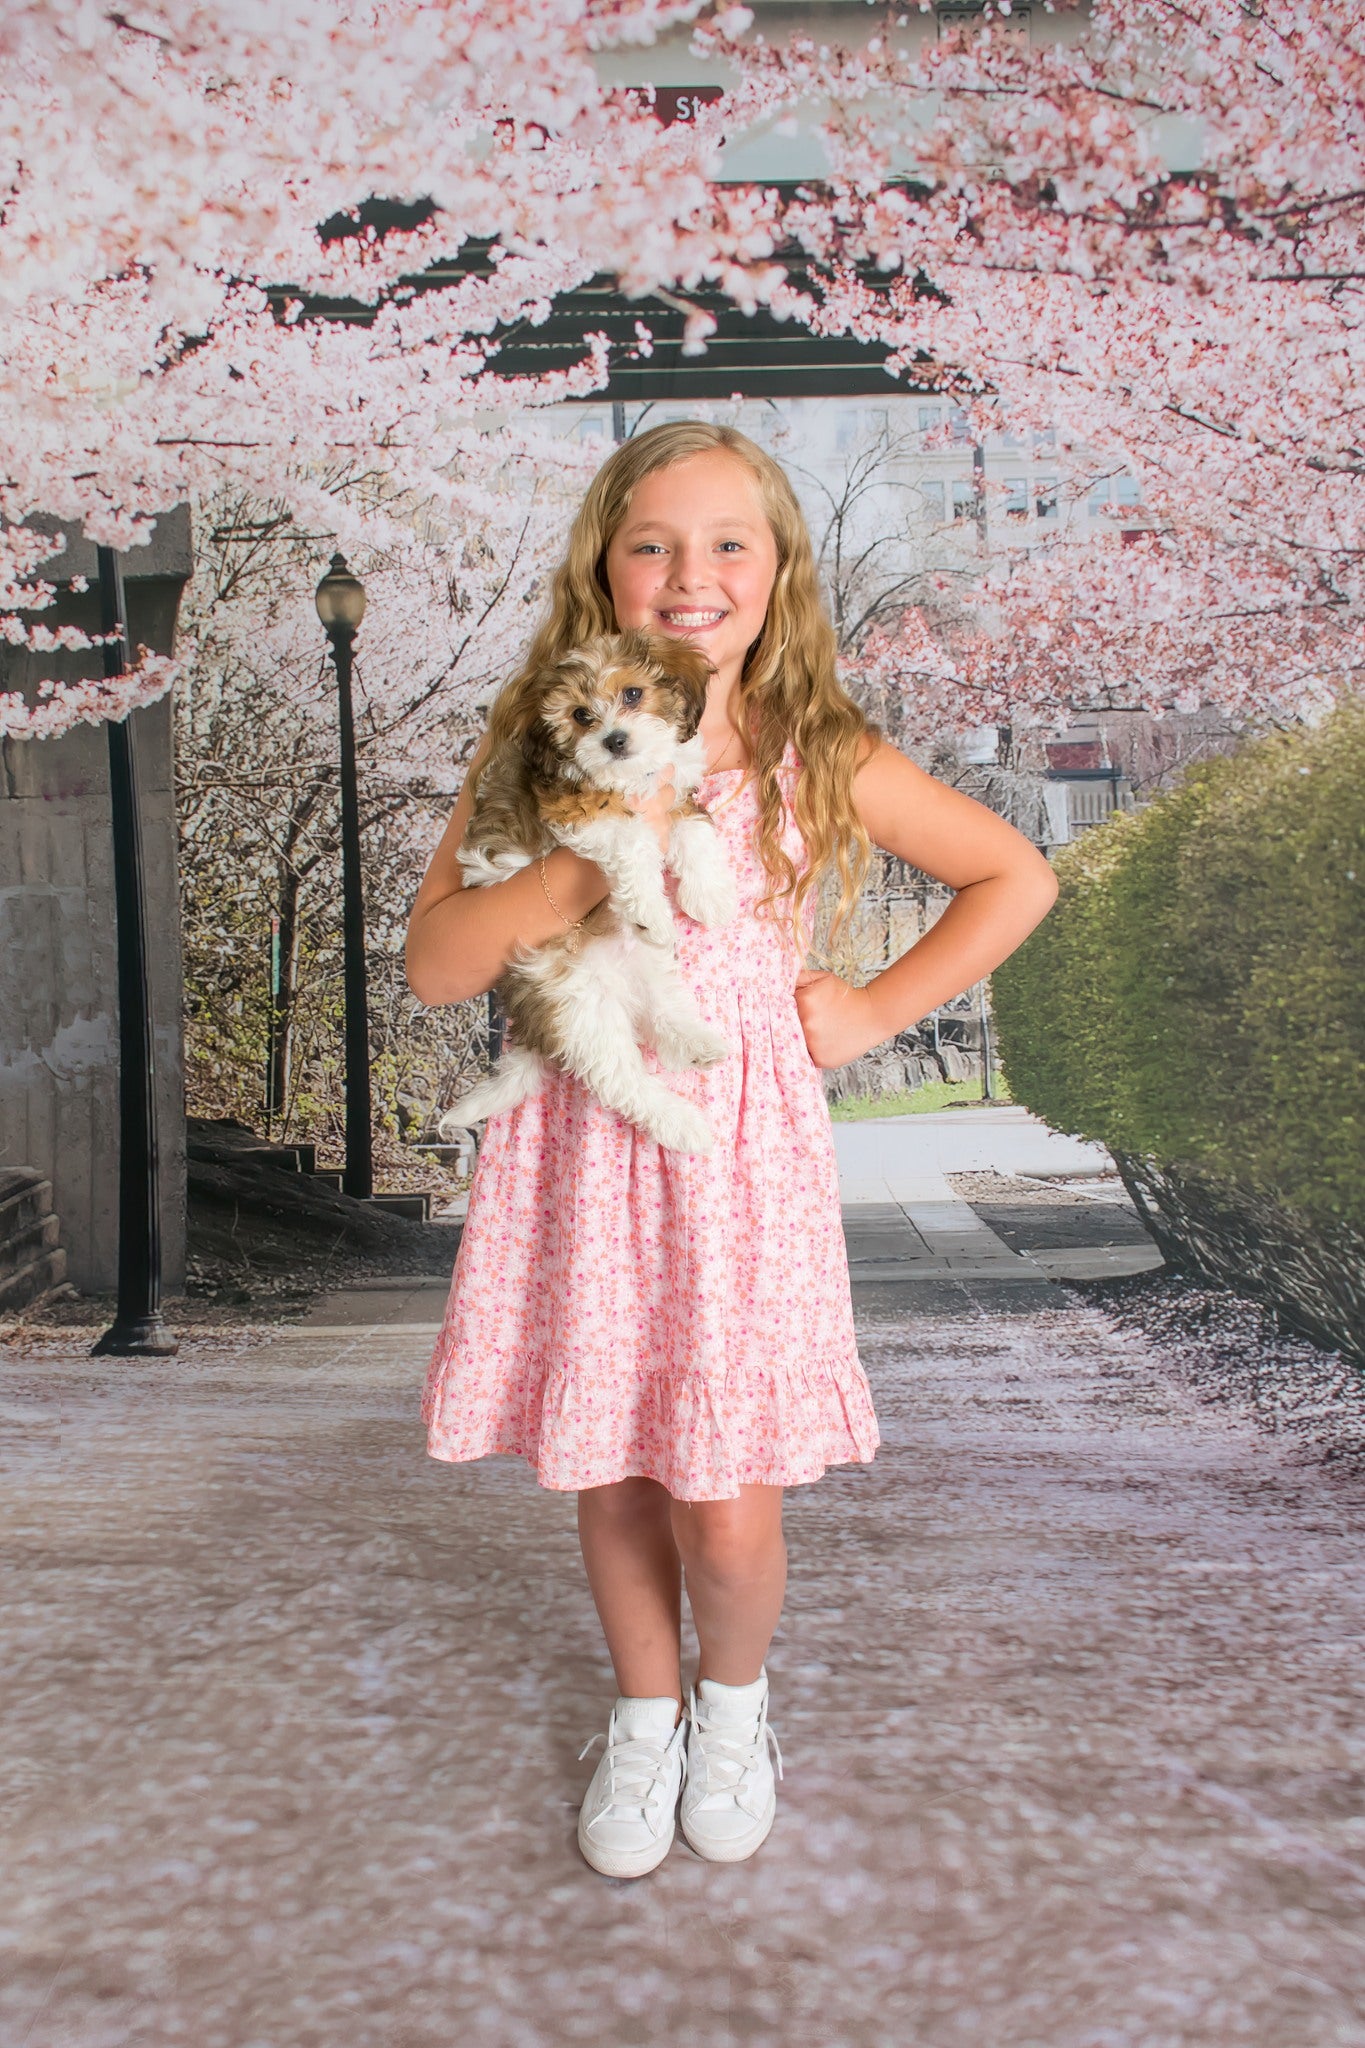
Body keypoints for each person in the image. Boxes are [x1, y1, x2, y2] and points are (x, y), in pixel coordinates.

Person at [405, 420, 1058, 1881]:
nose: (685, 574)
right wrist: (586, 854)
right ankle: (642, 1720)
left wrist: (872, 1006)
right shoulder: (535, 743)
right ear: (603, 566)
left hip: (735, 1152)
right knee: (618, 1466)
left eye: (724, 545)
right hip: (582, 1131)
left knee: (724, 1490)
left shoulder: (817, 746)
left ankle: (732, 1707)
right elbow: (440, 966)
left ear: (776, 572)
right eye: (651, 542)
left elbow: (1013, 872)